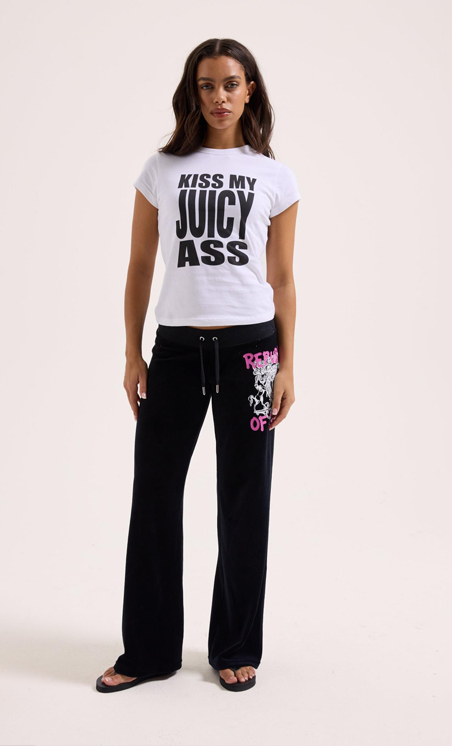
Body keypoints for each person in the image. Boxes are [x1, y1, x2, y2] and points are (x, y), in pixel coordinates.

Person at [96, 38, 299, 694]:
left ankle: (236, 646)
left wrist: (287, 364)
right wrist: (133, 353)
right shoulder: (160, 169)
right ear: (193, 92)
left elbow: (282, 277)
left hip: (253, 352)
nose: (219, 97)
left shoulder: (275, 177)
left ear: (250, 91)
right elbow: (138, 266)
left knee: (246, 501)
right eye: (207, 85)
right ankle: (149, 650)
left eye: (231, 84)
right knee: (154, 496)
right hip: (178, 352)